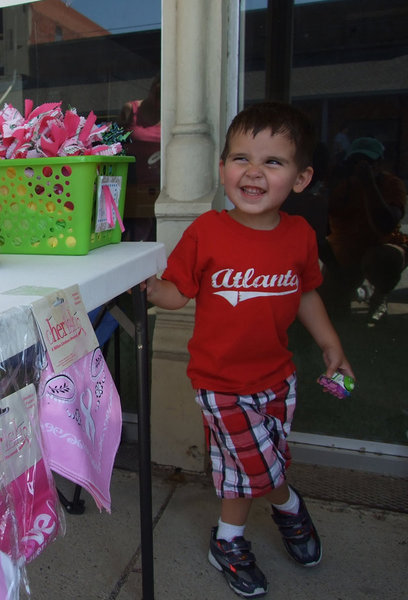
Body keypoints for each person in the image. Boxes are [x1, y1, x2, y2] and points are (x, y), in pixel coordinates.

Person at [142, 102, 354, 598]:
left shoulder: (299, 236)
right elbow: (177, 293)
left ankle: (238, 534)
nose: (254, 171)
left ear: (301, 179)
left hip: (277, 378)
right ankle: (277, 513)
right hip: (219, 380)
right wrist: (149, 287)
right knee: (255, 464)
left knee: (248, 465)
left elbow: (306, 294)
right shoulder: (207, 231)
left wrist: (332, 344)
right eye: (241, 158)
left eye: (272, 162)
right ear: (223, 169)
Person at [321, 137, 408, 326]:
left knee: (383, 258)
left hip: (380, 247)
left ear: (379, 164)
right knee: (332, 309)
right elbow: (321, 228)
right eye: (356, 162)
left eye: (368, 162)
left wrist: (369, 185)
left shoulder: (391, 184)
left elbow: (386, 224)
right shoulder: (342, 187)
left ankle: (380, 294)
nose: (361, 168)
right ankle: (355, 289)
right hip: (347, 254)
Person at [118, 75, 161, 241]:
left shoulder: (170, 114)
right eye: (156, 95)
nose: (158, 101)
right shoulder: (131, 109)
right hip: (133, 182)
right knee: (129, 234)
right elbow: (115, 141)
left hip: (158, 183)